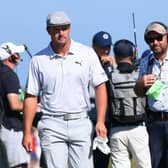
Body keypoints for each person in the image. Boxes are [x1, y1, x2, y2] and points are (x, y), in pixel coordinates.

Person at [22, 11, 108, 168]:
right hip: (51, 123)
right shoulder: (37, 60)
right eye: (56, 29)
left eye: (64, 28)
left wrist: (101, 121)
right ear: (48, 30)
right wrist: (27, 132)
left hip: (81, 121)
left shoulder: (87, 54)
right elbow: (31, 97)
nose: (61, 33)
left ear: (70, 28)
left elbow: (100, 86)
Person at [109, 39, 152, 168]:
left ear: (115, 56)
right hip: (138, 128)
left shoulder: (111, 75)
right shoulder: (141, 74)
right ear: (132, 55)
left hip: (117, 129)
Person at [134, 21, 168, 168]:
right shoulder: (145, 62)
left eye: (159, 38)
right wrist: (141, 83)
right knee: (155, 164)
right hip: (154, 123)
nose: (155, 42)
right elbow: (138, 91)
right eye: (150, 40)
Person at [0, 42, 29, 168]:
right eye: (16, 53)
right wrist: (34, 107)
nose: (18, 56)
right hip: (11, 128)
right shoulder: (9, 75)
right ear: (11, 57)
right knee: (19, 165)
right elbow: (15, 104)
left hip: (3, 127)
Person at [89, 31, 114, 168]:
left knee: (102, 160)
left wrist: (114, 68)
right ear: (93, 46)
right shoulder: (87, 63)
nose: (105, 50)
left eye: (108, 47)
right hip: (89, 118)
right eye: (102, 47)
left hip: (107, 120)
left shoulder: (111, 66)